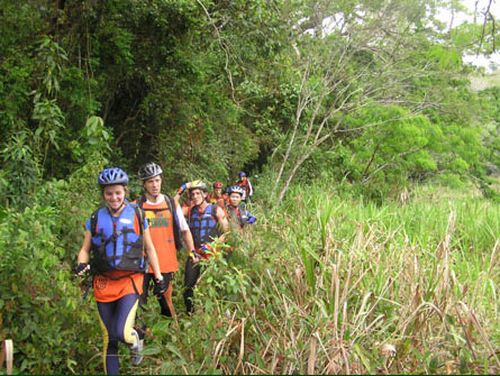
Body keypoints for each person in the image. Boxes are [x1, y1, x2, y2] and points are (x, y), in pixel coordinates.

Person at [75, 167, 166, 375]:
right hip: (103, 283)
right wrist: (81, 264)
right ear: (103, 194)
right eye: (109, 193)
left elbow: (149, 248)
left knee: (121, 332)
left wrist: (158, 276)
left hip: (129, 281)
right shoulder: (96, 217)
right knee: (109, 338)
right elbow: (85, 249)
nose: (114, 198)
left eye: (118, 192)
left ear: (125, 191)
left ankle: (136, 338)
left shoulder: (136, 213)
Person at [136, 162, 196, 317]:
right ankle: (139, 338)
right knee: (139, 304)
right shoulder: (136, 206)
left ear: (161, 180)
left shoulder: (170, 204)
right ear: (144, 184)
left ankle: (171, 336)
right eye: (150, 181)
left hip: (166, 262)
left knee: (166, 303)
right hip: (142, 263)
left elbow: (185, 230)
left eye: (157, 180)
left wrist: (192, 252)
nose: (155, 185)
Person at [177, 180, 229, 314]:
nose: (195, 197)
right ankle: (191, 315)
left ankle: (216, 314)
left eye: (198, 193)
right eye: (192, 194)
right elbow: (173, 207)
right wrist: (183, 187)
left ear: (205, 194)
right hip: (195, 253)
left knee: (214, 287)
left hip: (212, 254)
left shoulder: (215, 210)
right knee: (188, 288)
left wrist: (213, 247)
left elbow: (227, 232)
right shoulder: (189, 211)